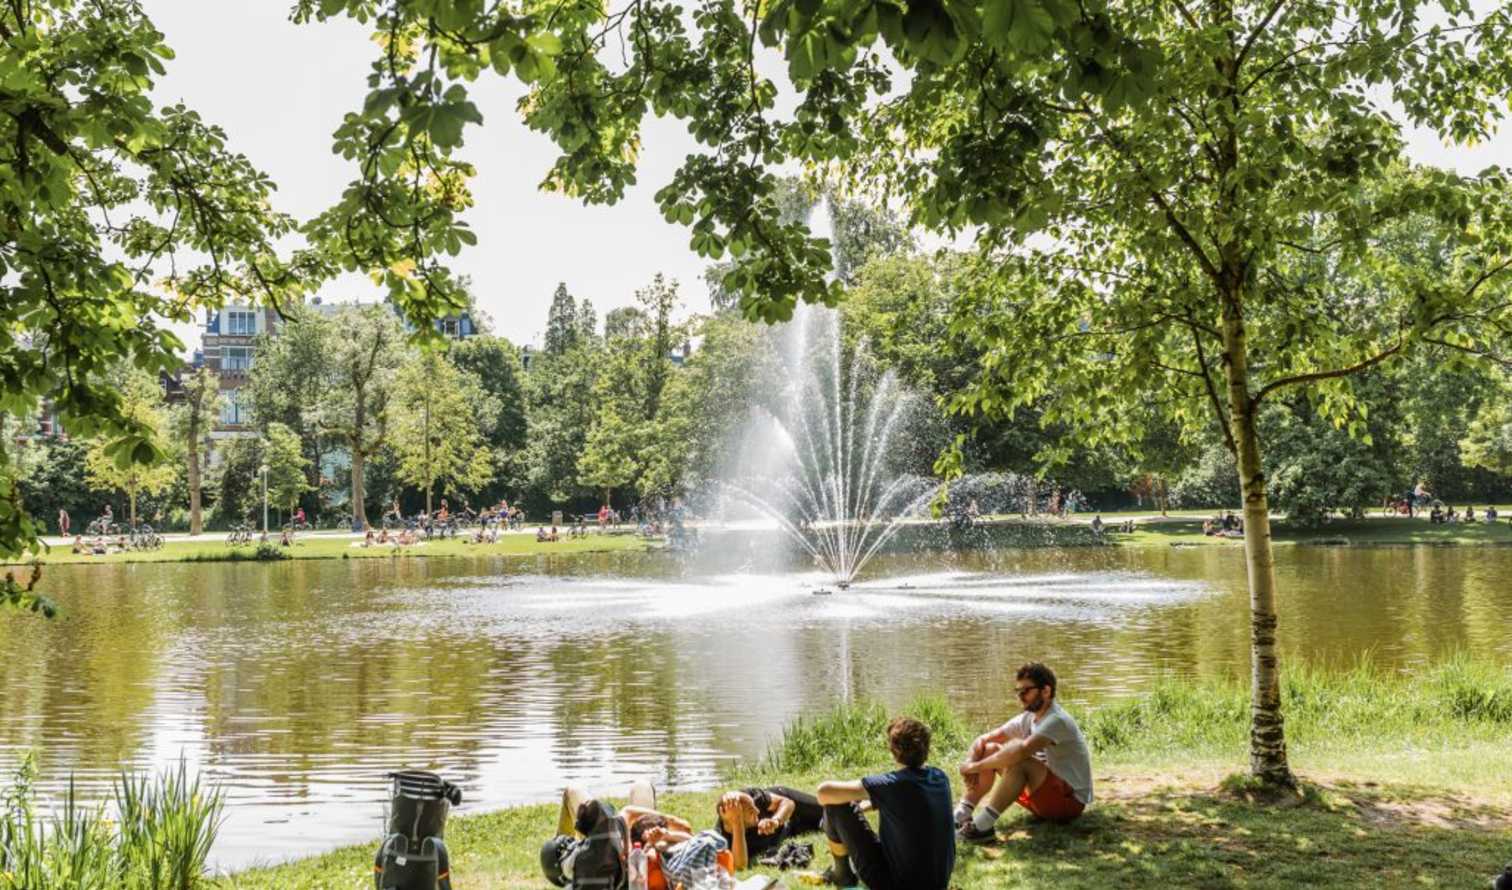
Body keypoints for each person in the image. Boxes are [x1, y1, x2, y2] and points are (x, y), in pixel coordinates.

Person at [956, 662, 1094, 843]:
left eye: (1026, 691)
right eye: (1018, 691)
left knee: (1021, 762)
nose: (1020, 696)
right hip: (1043, 795)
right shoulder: (1029, 717)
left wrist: (974, 767)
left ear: (1046, 691)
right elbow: (985, 739)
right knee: (989, 750)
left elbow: (1021, 752)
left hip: (1068, 803)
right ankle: (961, 814)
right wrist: (971, 761)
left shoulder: (1057, 720)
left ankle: (981, 828)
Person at [816, 716, 955, 890]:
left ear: (894, 751)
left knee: (835, 806)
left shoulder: (892, 784)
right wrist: (863, 807)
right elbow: (907, 803)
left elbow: (823, 793)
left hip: (896, 885)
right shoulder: (940, 777)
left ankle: (841, 874)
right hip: (937, 883)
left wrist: (852, 806)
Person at [715, 786, 825, 870]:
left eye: (755, 806)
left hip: (787, 812)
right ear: (735, 817)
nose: (757, 811)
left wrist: (775, 820)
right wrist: (737, 824)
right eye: (750, 811)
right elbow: (740, 866)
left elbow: (788, 803)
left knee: (829, 810)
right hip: (791, 830)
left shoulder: (752, 797)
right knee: (824, 826)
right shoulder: (721, 839)